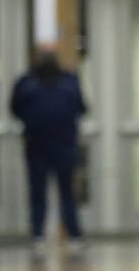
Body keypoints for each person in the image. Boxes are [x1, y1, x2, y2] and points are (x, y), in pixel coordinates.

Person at [10, 44, 88, 251]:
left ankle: (74, 235)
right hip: (36, 145)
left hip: (64, 144)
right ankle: (37, 234)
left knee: (67, 192)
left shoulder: (69, 81)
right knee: (37, 192)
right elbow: (15, 108)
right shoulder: (25, 83)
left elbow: (81, 107)